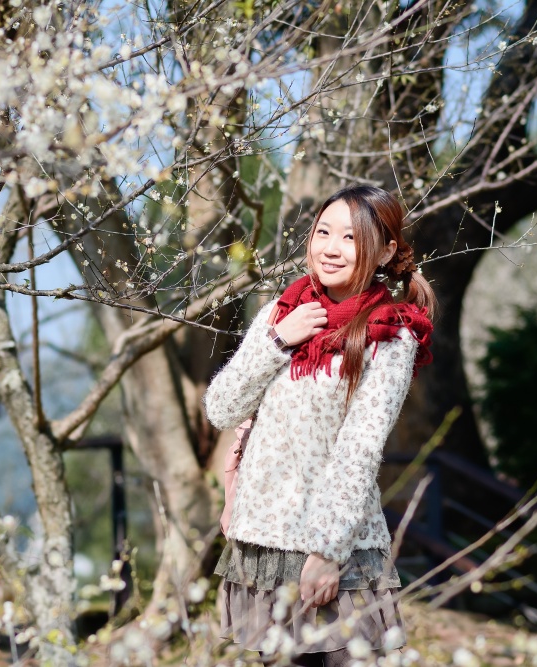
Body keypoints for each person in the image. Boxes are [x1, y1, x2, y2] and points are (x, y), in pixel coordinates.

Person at [204, 185, 435, 666]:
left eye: (350, 238)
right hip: (262, 544)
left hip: (335, 545)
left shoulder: (391, 333)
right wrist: (276, 342)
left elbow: (361, 448)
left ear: (385, 250)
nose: (330, 248)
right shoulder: (282, 313)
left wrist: (328, 553)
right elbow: (222, 409)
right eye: (323, 232)